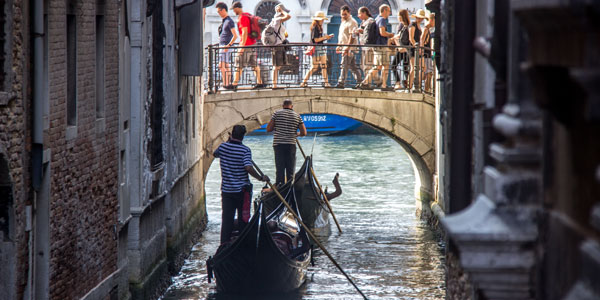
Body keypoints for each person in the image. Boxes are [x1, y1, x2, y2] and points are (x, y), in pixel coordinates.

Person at [213, 125, 269, 244]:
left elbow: (215, 154)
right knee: (243, 219)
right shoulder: (245, 150)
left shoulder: (223, 147)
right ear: (243, 136)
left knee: (227, 219)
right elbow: (248, 167)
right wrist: (260, 178)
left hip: (227, 190)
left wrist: (228, 142)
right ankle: (243, 243)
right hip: (242, 191)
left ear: (232, 134)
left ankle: (224, 244)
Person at [266, 99, 307, 186]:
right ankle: (289, 185)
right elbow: (304, 133)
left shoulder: (277, 113)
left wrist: (277, 127)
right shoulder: (297, 116)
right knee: (290, 169)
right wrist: (297, 134)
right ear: (292, 106)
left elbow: (268, 129)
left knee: (280, 168)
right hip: (290, 144)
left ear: (283, 105)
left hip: (278, 144)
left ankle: (280, 185)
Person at [358, 4, 395, 90]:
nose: (389, 13)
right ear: (384, 10)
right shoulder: (381, 19)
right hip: (381, 46)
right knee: (385, 66)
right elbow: (382, 33)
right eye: (389, 11)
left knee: (377, 66)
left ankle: (365, 82)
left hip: (376, 47)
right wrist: (391, 34)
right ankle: (384, 85)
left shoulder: (376, 19)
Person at [230, 1, 265, 90]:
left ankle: (234, 84)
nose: (234, 11)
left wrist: (242, 47)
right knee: (254, 65)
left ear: (237, 8)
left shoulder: (242, 17)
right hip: (253, 43)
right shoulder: (248, 15)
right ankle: (260, 82)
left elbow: (245, 32)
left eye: (234, 9)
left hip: (246, 44)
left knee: (239, 64)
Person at [300, 11, 333, 88]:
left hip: (320, 48)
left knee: (324, 66)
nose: (323, 21)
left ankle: (326, 83)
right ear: (318, 20)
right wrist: (325, 37)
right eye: (322, 19)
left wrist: (326, 37)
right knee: (314, 67)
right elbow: (315, 40)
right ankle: (304, 82)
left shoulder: (319, 27)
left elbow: (318, 40)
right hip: (317, 48)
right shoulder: (315, 27)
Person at [335, 5, 362, 88]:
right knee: (352, 66)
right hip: (344, 47)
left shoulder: (352, 22)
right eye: (342, 14)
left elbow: (352, 35)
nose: (343, 16)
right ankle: (360, 82)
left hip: (349, 48)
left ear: (349, 13)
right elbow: (342, 35)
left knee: (344, 64)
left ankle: (341, 82)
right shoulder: (343, 22)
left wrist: (348, 47)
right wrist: (339, 45)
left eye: (345, 14)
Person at [269, 4, 291, 89]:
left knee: (278, 66)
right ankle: (274, 85)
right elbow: (289, 16)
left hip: (280, 45)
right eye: (283, 11)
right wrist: (281, 11)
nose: (285, 13)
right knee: (276, 66)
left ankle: (275, 84)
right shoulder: (277, 20)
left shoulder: (279, 22)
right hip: (277, 46)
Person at [216, 2, 237, 89]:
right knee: (226, 66)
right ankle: (227, 84)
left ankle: (226, 84)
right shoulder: (225, 21)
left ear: (223, 10)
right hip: (223, 45)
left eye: (219, 11)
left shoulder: (229, 21)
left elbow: (235, 35)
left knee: (221, 66)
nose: (219, 13)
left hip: (225, 46)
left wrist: (228, 45)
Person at [354, 7, 376, 87]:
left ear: (364, 13)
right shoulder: (363, 22)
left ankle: (367, 84)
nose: (358, 16)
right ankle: (378, 81)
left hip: (369, 47)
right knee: (363, 65)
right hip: (363, 46)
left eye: (359, 13)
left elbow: (369, 33)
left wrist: (361, 31)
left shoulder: (370, 21)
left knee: (367, 65)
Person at [408, 9, 427, 91]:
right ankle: (409, 86)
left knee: (423, 67)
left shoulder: (419, 26)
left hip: (418, 49)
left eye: (422, 18)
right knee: (413, 68)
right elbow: (411, 38)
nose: (421, 19)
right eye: (419, 17)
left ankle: (417, 86)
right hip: (413, 49)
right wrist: (416, 48)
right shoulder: (413, 24)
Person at [391, 9, 411, 90]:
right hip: (403, 50)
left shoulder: (405, 27)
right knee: (405, 67)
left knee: (395, 65)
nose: (398, 17)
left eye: (399, 15)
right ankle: (406, 83)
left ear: (402, 16)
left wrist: (397, 42)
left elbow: (405, 40)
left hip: (403, 50)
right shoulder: (405, 26)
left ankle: (400, 83)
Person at [420, 12, 435, 93]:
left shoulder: (427, 29)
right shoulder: (425, 29)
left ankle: (426, 90)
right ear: (432, 20)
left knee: (428, 74)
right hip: (426, 54)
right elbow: (422, 39)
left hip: (427, 54)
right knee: (428, 74)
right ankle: (426, 91)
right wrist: (422, 51)